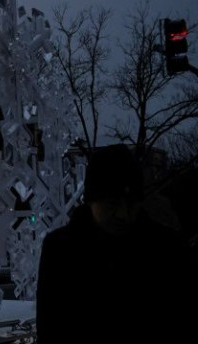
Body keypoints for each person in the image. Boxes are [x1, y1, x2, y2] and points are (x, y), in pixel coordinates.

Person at [36, 144, 188, 343]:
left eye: (131, 203)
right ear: (92, 200)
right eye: (112, 204)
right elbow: (51, 329)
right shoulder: (61, 251)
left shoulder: (166, 249)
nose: (123, 214)